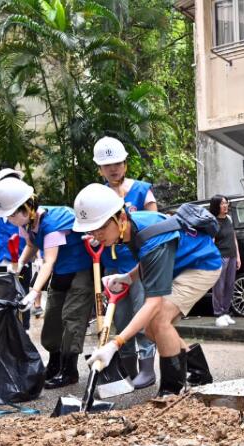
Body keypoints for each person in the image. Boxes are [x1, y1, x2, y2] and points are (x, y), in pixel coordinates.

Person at [73, 184, 222, 396]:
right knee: (152, 330)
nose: (96, 235)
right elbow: (146, 260)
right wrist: (128, 277)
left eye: (101, 227)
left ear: (120, 218)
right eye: (91, 230)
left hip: (201, 266)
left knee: (159, 320)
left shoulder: (151, 237)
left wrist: (115, 344)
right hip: (181, 265)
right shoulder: (132, 228)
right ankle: (198, 373)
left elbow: (153, 302)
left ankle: (172, 391)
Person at [0, 177, 92, 389]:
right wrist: (18, 265)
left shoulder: (53, 224)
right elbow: (31, 244)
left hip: (81, 271)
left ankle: (69, 370)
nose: (8, 219)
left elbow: (49, 261)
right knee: (53, 318)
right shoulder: (28, 224)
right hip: (61, 272)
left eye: (10, 215)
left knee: (72, 318)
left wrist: (34, 291)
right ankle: (54, 365)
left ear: (26, 209)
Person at [93, 136, 157, 389]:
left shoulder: (142, 190)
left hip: (140, 266)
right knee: (119, 317)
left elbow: (156, 226)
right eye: (107, 165)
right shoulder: (97, 194)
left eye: (118, 163)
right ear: (99, 169)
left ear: (125, 164)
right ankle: (127, 369)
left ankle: (147, 369)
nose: (113, 168)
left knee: (143, 315)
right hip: (111, 266)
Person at [210, 194, 240, 327]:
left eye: (226, 203)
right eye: (222, 203)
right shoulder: (213, 222)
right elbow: (211, 242)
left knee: (230, 285)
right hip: (220, 256)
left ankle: (226, 312)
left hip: (232, 255)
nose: (225, 205)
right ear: (217, 205)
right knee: (219, 286)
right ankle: (218, 313)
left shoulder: (228, 219)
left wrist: (238, 256)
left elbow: (233, 237)